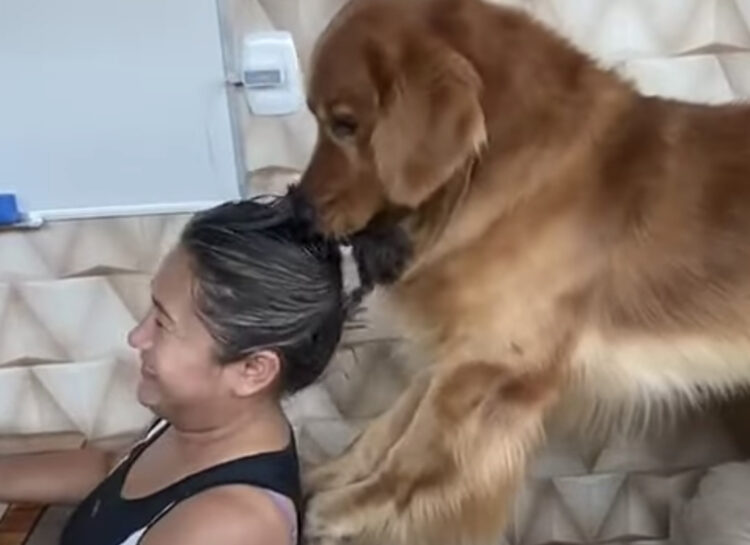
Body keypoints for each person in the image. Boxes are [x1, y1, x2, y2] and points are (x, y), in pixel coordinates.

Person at [0, 196, 346, 545]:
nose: (137, 337)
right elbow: (112, 469)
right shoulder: (196, 421)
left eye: (162, 323)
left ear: (252, 369)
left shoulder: (230, 524)